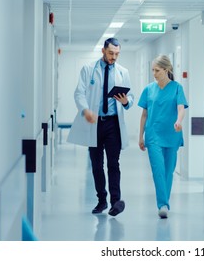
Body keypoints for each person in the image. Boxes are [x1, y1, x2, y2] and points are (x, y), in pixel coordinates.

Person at [67, 37, 134, 216]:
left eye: (117, 54)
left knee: (113, 163)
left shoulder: (123, 72)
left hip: (113, 123)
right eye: (111, 53)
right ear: (103, 51)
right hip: (95, 122)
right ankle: (101, 200)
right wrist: (85, 110)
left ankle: (115, 202)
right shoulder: (89, 70)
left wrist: (127, 101)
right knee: (97, 164)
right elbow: (79, 93)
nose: (114, 57)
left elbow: (131, 97)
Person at [138, 54, 188, 219]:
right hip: (153, 135)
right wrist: (140, 136)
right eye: (153, 70)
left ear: (167, 70)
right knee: (158, 170)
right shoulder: (148, 89)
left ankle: (164, 201)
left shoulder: (177, 88)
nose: (154, 73)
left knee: (168, 171)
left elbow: (181, 108)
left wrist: (179, 121)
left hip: (172, 134)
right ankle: (163, 204)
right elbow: (144, 114)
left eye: (157, 70)